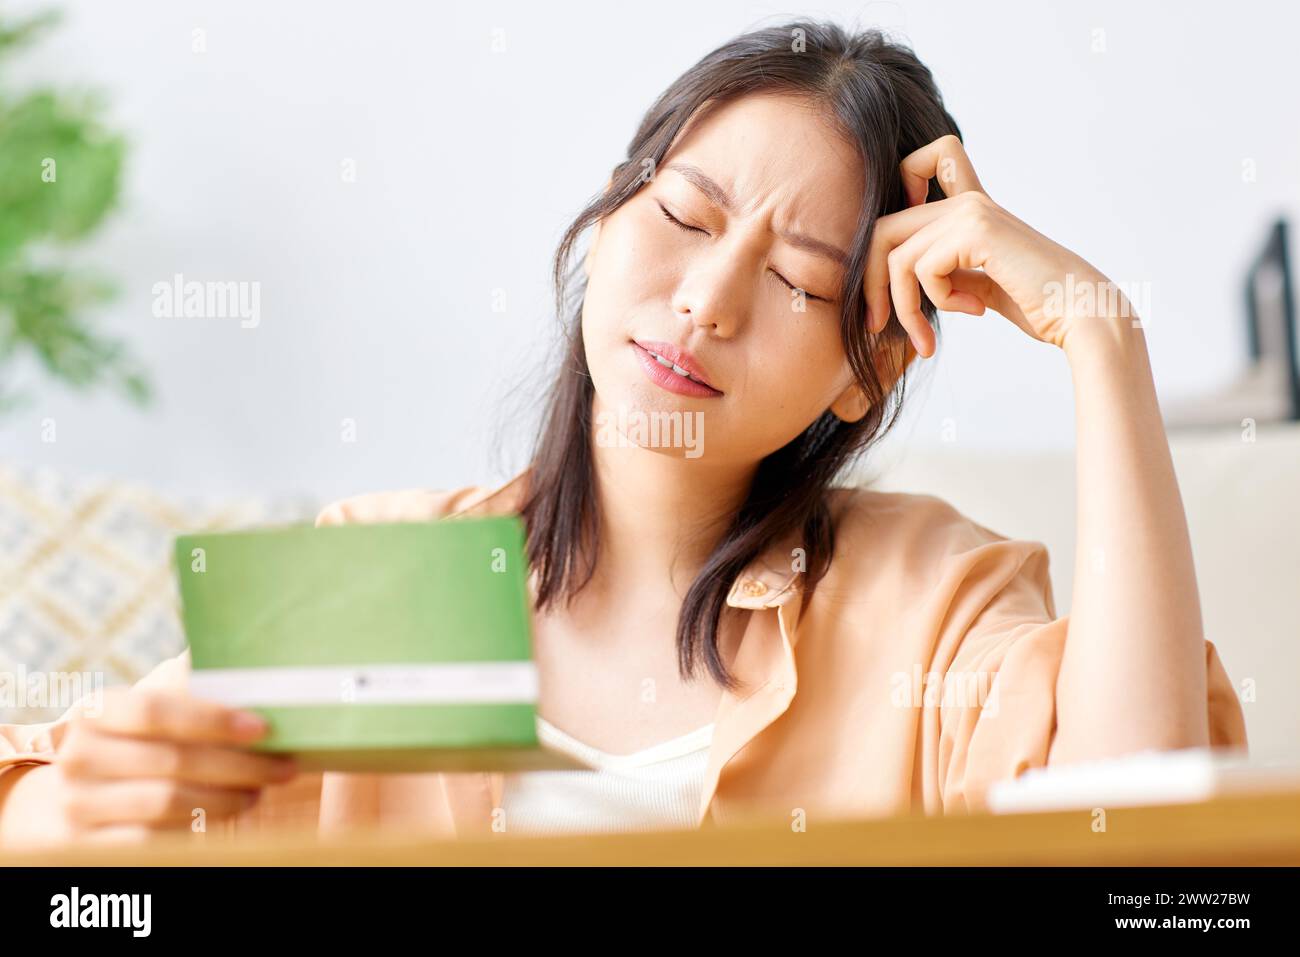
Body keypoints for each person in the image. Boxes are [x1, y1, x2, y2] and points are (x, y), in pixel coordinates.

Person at [0, 20, 1247, 847]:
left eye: (803, 284)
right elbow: (46, 813)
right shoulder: (387, 584)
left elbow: (1132, 851)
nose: (707, 301)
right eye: (687, 215)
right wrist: (81, 816)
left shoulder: (935, 601)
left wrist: (1103, 341)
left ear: (861, 373)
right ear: (607, 218)